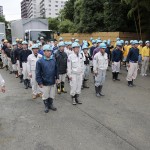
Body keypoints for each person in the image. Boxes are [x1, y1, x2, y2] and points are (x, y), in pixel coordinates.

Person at [36, 45, 59, 113]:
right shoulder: (40, 61)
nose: (49, 52)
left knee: (52, 94)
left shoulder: (53, 60)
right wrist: (39, 82)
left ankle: (51, 104)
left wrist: (57, 78)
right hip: (45, 82)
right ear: (44, 52)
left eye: (50, 51)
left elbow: (56, 70)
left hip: (52, 81)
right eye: (48, 51)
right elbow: (38, 73)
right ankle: (46, 105)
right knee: (45, 95)